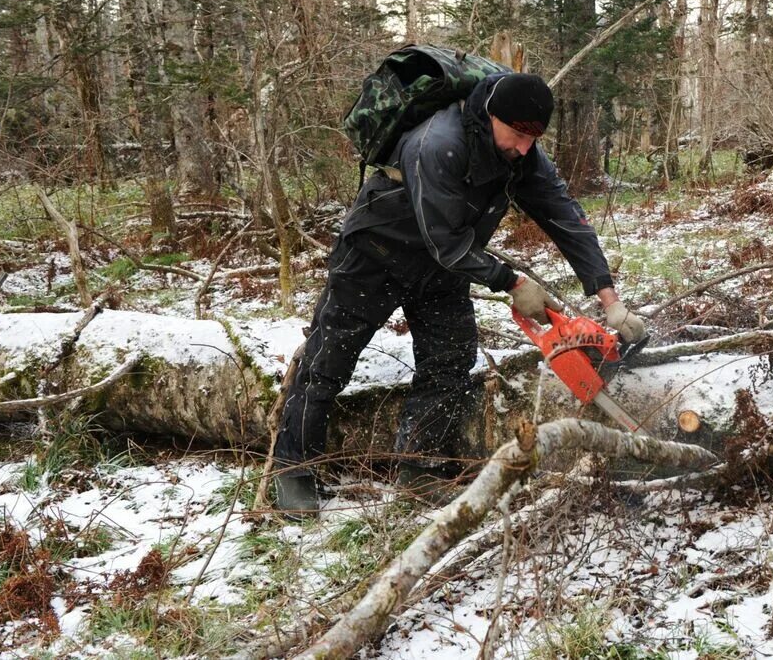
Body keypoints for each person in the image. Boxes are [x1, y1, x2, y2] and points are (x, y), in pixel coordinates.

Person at [272, 71, 645, 515]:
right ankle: (292, 470)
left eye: (535, 137)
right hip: (376, 253)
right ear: (491, 115)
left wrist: (610, 300)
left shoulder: (523, 154)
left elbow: (564, 216)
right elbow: (443, 239)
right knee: (327, 360)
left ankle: (420, 468)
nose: (525, 147)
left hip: (442, 267)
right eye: (519, 134)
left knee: (449, 358)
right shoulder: (438, 143)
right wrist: (512, 282)